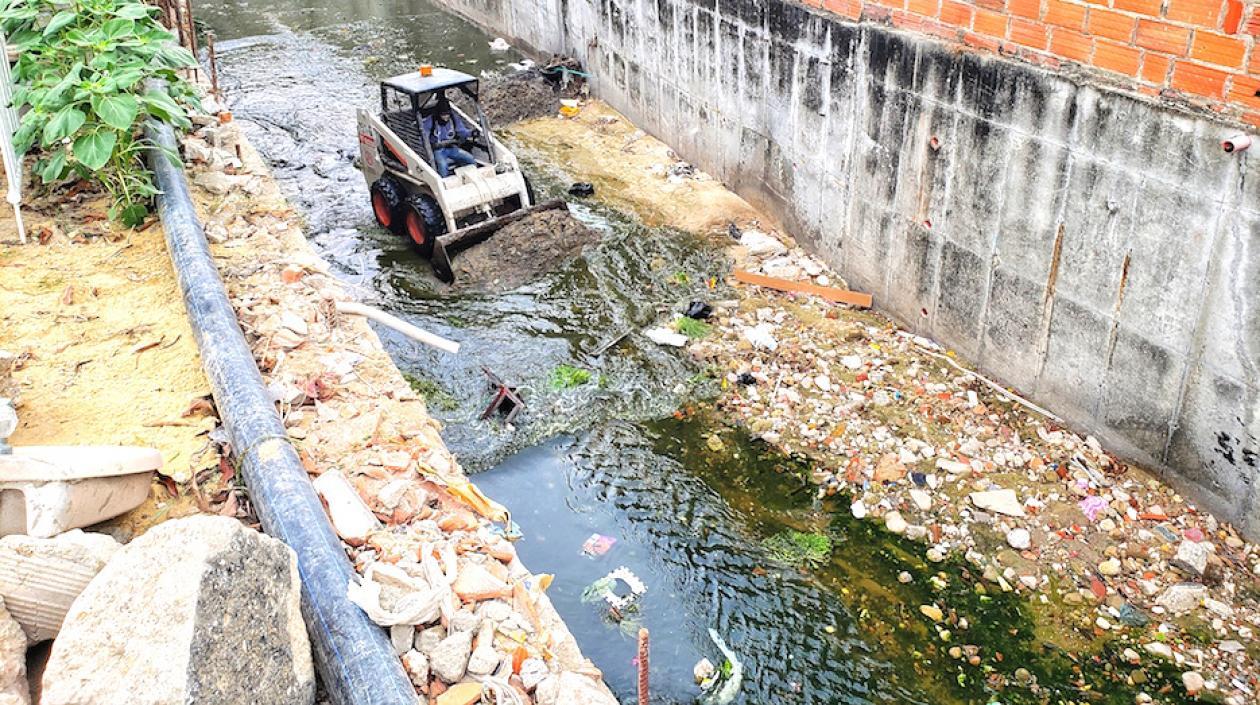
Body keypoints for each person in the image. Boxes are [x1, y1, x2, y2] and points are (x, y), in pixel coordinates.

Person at [423, 101, 479, 177]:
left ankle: (474, 176)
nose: (446, 117)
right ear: (438, 114)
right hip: (439, 150)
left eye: (447, 114)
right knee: (443, 165)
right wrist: (428, 147)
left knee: (470, 158)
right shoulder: (431, 121)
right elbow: (424, 136)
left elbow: (461, 131)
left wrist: (471, 133)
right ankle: (444, 181)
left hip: (452, 148)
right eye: (443, 114)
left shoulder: (453, 118)